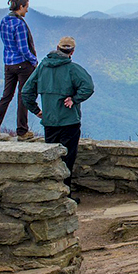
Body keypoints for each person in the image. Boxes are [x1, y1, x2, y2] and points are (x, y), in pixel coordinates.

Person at [21, 36, 95, 198]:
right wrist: (74, 99)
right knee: (67, 159)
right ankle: (65, 195)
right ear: (72, 52)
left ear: (57, 48)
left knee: (52, 159)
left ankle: (52, 194)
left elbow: (26, 92)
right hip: (70, 121)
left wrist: (37, 111)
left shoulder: (42, 68)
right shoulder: (73, 69)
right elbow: (88, 87)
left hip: (50, 122)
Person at [0, 0, 38, 140]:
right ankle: (22, 131)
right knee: (23, 96)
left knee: (6, 96)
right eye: (26, 7)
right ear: (21, 7)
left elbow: (7, 42)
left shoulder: (4, 21)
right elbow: (23, 48)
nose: (27, 11)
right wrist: (34, 60)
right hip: (23, 64)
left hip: (8, 63)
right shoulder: (20, 24)